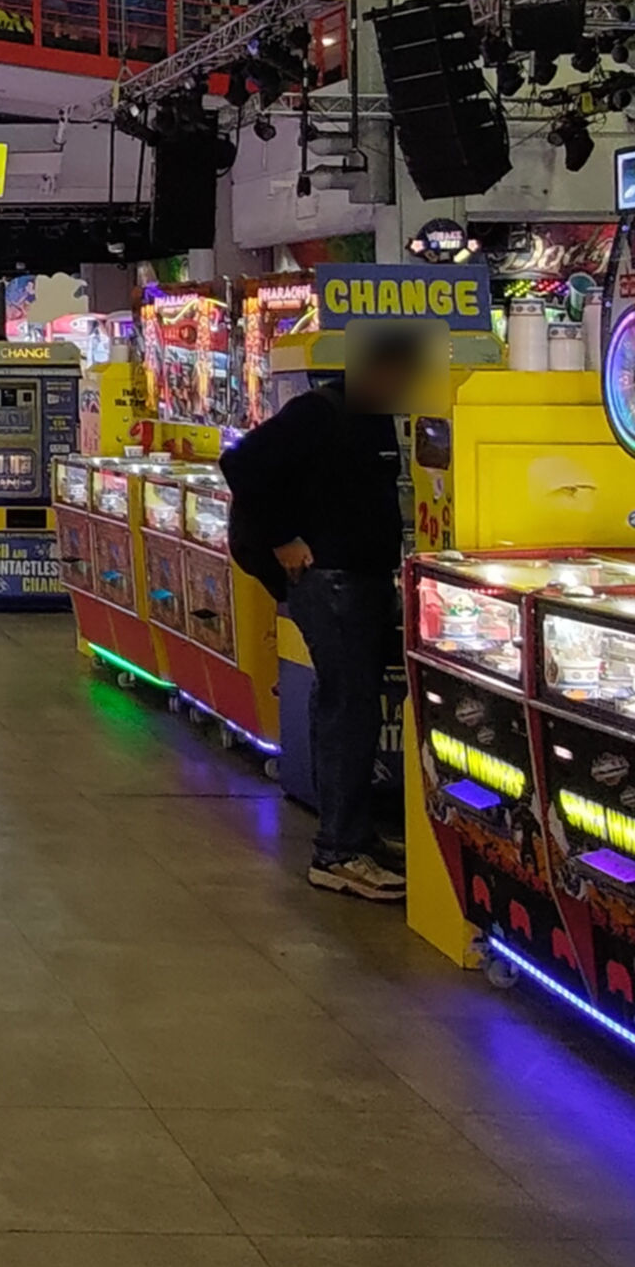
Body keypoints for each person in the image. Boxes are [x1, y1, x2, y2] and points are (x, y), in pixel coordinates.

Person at [219, 323, 425, 902]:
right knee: (348, 707)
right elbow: (243, 463)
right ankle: (339, 852)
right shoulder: (321, 411)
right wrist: (283, 537)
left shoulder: (372, 418)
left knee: (347, 705)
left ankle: (351, 832)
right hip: (331, 582)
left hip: (359, 579)